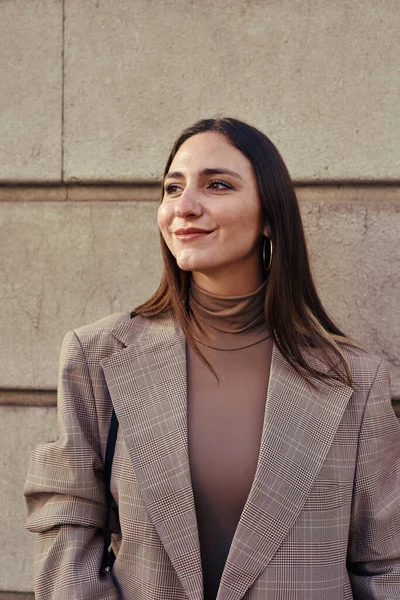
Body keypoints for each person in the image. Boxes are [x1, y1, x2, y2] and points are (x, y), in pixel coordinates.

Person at [24, 117, 400, 600]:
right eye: (172, 188)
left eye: (217, 185)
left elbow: (386, 565)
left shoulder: (355, 379)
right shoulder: (96, 356)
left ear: (269, 215)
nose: (185, 206)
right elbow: (66, 518)